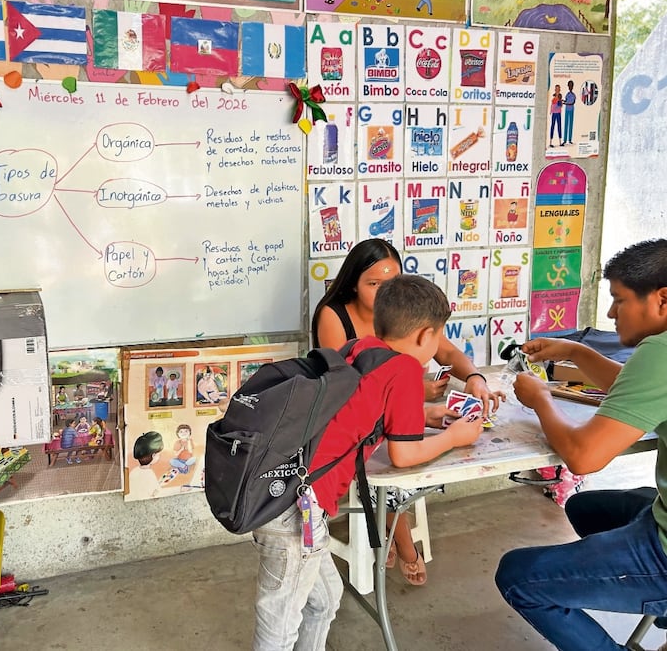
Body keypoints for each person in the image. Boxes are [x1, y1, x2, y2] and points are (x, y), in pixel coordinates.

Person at [253, 274, 485, 650]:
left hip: (286, 493)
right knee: (279, 622)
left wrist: (424, 416)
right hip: (294, 508)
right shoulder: (407, 370)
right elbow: (404, 454)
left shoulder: (359, 349)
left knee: (324, 601)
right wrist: (455, 437)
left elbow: (361, 406)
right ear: (426, 336)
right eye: (439, 337)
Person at [495, 239, 667, 651]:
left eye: (619, 301)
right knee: (585, 507)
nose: (610, 313)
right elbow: (638, 389)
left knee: (519, 577)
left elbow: (583, 456)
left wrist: (541, 400)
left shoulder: (661, 352)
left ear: (662, 299)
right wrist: (575, 351)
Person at [311, 238, 504, 585]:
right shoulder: (342, 321)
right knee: (390, 463)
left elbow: (447, 355)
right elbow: (355, 397)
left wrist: (472, 378)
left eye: (392, 281)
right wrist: (443, 425)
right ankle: (402, 540)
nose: (385, 291)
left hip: (363, 432)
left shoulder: (388, 333)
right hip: (348, 437)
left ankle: (395, 538)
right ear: (353, 282)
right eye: (374, 283)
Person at [129, 431, 164, 499]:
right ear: (153, 455)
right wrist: (161, 485)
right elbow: (154, 493)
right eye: (158, 454)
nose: (159, 456)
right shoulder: (149, 473)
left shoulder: (134, 471)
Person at [562, 79, 576, 145]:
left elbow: (572, 102)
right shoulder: (567, 94)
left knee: (570, 124)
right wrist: (563, 101)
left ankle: (569, 139)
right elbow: (566, 100)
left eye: (571, 86)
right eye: (569, 86)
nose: (570, 87)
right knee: (566, 124)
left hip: (571, 109)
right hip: (567, 110)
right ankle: (565, 140)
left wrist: (565, 103)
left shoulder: (573, 95)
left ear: (572, 86)